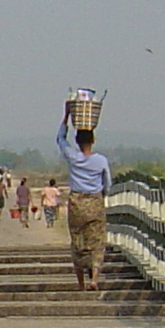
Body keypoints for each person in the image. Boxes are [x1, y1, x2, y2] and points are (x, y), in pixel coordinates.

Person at [57, 102, 114, 291]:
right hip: (95, 201)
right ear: (93, 140)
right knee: (97, 241)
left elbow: (60, 139)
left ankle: (80, 283)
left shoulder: (73, 157)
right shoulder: (101, 160)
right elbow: (108, 183)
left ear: (78, 142)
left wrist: (66, 116)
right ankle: (94, 279)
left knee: (77, 241)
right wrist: (102, 194)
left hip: (76, 203)